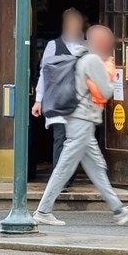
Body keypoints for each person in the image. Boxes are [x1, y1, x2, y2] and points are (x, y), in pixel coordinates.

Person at [34, 25, 128, 227]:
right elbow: (107, 91)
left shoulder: (79, 56)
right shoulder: (92, 60)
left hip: (80, 119)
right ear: (100, 41)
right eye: (108, 39)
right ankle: (43, 210)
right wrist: (109, 69)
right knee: (65, 166)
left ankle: (118, 210)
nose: (110, 44)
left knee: (96, 167)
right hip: (82, 119)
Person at [32, 9, 87, 172]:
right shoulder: (53, 45)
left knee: (76, 141)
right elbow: (44, 74)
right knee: (60, 139)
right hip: (59, 101)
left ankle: (68, 178)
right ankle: (60, 180)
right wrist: (38, 100)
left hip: (79, 102)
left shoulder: (85, 46)